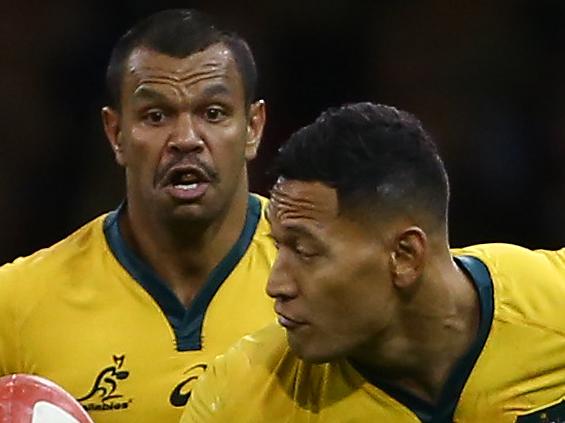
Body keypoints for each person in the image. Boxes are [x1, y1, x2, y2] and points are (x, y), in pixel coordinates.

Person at [182, 102, 565, 422]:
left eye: (305, 251)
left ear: (405, 256)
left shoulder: (553, 307)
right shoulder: (239, 400)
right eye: (278, 246)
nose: (276, 284)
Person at [0, 9, 277, 423]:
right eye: (156, 116)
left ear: (253, 127)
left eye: (214, 113)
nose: (186, 139)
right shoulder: (16, 302)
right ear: (116, 135)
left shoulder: (321, 274)